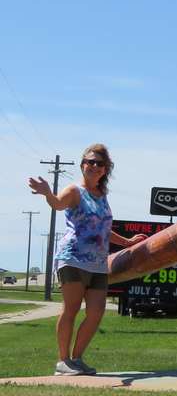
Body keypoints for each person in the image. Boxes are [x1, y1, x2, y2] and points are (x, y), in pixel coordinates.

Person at [28, 143, 146, 376]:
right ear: (82, 165)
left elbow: (103, 228)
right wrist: (47, 193)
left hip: (98, 263)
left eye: (99, 163)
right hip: (72, 258)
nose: (94, 166)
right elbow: (58, 204)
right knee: (71, 309)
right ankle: (63, 361)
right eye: (90, 162)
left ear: (105, 170)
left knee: (96, 312)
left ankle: (77, 359)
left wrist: (128, 242)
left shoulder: (102, 196)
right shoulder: (74, 190)